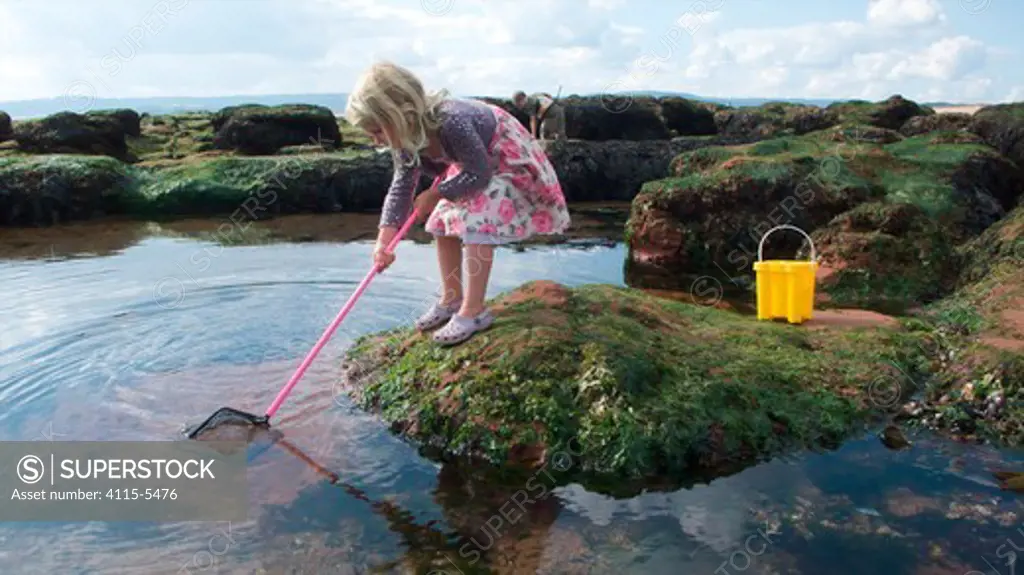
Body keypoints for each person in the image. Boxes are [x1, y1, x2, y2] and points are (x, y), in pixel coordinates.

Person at [345, 61, 571, 346]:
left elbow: (480, 173)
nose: (374, 139)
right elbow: (402, 187)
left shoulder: (450, 121)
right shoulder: (405, 141)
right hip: (472, 167)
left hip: (500, 158)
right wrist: (383, 243)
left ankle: (474, 310)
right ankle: (452, 299)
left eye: (377, 130)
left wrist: (436, 194)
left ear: (402, 115)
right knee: (440, 221)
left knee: (479, 218)